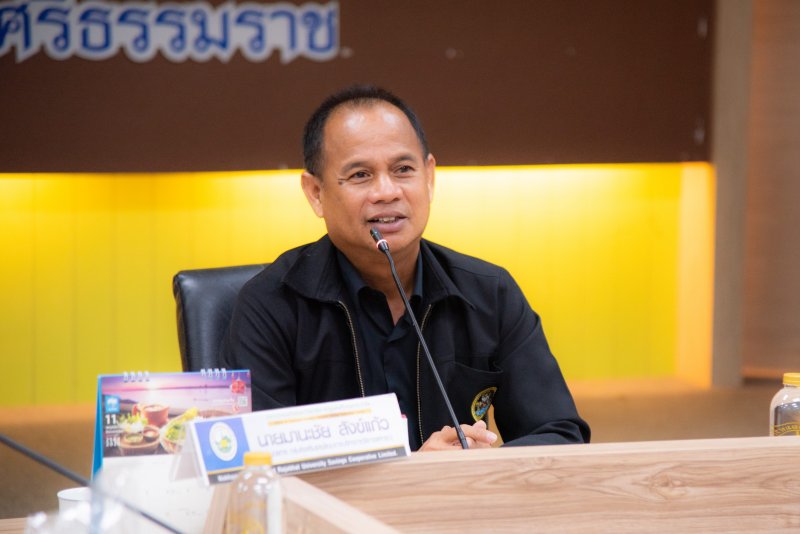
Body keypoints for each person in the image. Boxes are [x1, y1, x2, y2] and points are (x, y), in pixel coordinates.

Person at [222, 85, 590, 451]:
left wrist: (482, 465)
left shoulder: (489, 293)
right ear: (315, 193)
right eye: (360, 175)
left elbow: (560, 434)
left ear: (429, 177)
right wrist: (415, 470)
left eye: (403, 169)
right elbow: (254, 458)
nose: (387, 191)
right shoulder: (271, 304)